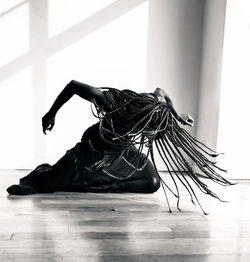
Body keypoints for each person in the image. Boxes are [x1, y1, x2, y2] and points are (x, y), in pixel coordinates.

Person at [7, 80, 231, 213]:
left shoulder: (156, 102)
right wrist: (51, 113)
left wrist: (178, 117)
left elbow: (162, 91)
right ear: (138, 118)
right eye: (149, 129)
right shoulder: (112, 102)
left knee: (152, 182)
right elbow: (74, 85)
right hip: (94, 148)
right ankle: (80, 178)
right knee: (49, 180)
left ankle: (97, 184)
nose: (149, 134)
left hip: (121, 150)